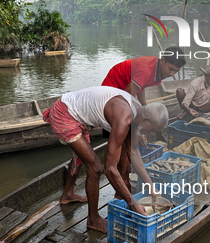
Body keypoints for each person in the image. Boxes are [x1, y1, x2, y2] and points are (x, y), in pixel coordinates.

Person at [42, 86, 168, 233]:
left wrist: (150, 186)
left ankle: (67, 195)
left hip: (74, 109)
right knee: (95, 167)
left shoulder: (138, 112)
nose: (151, 133)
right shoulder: (124, 119)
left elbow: (132, 151)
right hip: (64, 113)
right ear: (145, 120)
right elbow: (110, 169)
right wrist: (132, 202)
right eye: (153, 129)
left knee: (83, 156)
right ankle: (93, 219)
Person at [101, 46, 187, 106]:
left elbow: (140, 86)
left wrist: (144, 107)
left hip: (128, 84)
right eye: (170, 69)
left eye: (176, 71)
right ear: (163, 60)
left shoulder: (157, 66)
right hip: (115, 83)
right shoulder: (146, 71)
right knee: (117, 108)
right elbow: (125, 97)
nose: (172, 74)